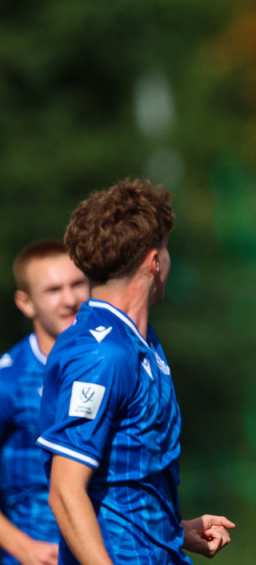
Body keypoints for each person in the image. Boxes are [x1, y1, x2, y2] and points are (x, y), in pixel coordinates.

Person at [36, 179, 234, 565]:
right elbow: (65, 491)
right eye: (167, 249)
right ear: (154, 260)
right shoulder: (101, 354)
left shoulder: (138, 343)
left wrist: (176, 531)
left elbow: (123, 478)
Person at [1, 240, 89, 565]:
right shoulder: (8, 381)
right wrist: (23, 547)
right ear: (25, 303)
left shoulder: (111, 363)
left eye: (77, 284)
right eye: (53, 290)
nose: (70, 300)